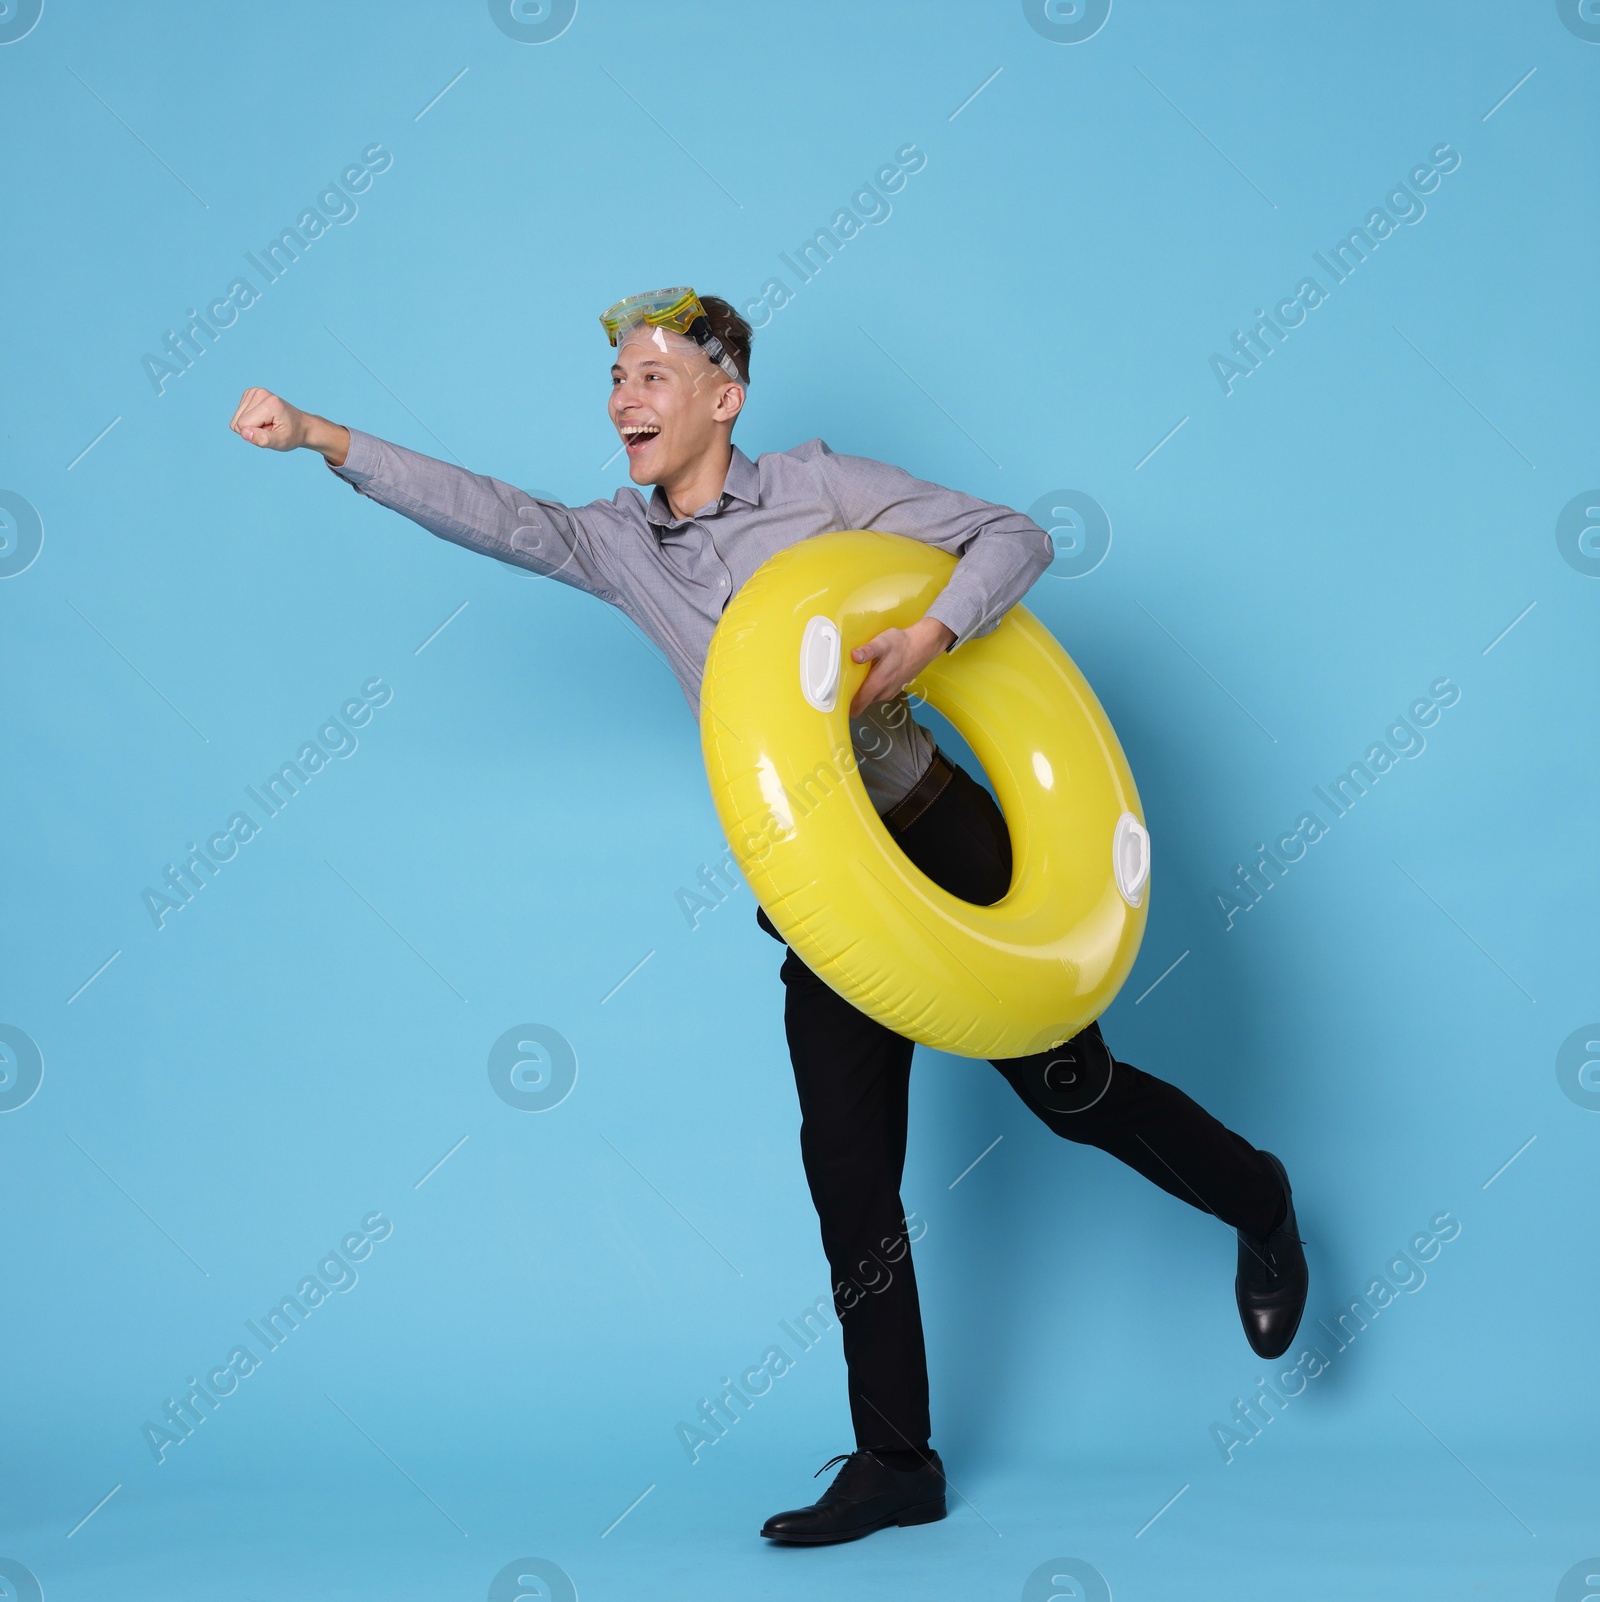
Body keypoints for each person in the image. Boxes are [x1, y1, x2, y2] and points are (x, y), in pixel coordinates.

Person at [228, 286, 1308, 1546]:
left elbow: (1015, 537)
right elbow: (497, 515)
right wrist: (322, 436)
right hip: (824, 886)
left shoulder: (821, 488)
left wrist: (929, 632)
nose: (624, 399)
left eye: (649, 376)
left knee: (1070, 1095)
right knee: (849, 1170)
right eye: (616, 382)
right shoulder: (622, 548)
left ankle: (1258, 1198)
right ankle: (898, 1461)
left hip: (937, 834)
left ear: (722, 398)